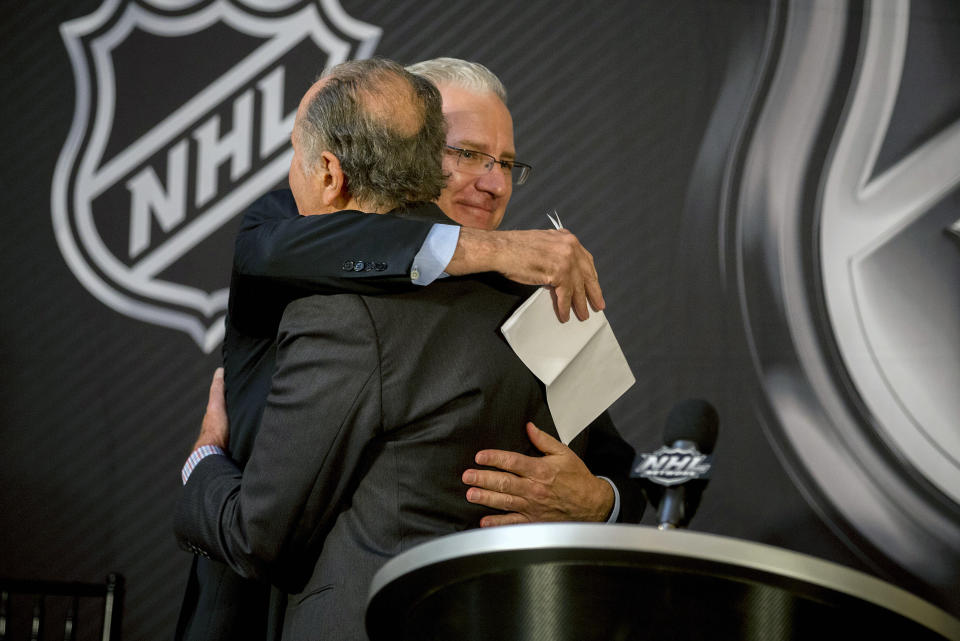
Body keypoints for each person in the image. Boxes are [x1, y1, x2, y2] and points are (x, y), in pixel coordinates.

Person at [176, 57, 641, 640]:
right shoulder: (294, 225)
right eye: (468, 154)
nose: (494, 181)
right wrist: (480, 248)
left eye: (505, 163)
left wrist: (600, 501)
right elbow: (277, 245)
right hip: (239, 602)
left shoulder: (542, 303)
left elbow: (624, 467)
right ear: (410, 151)